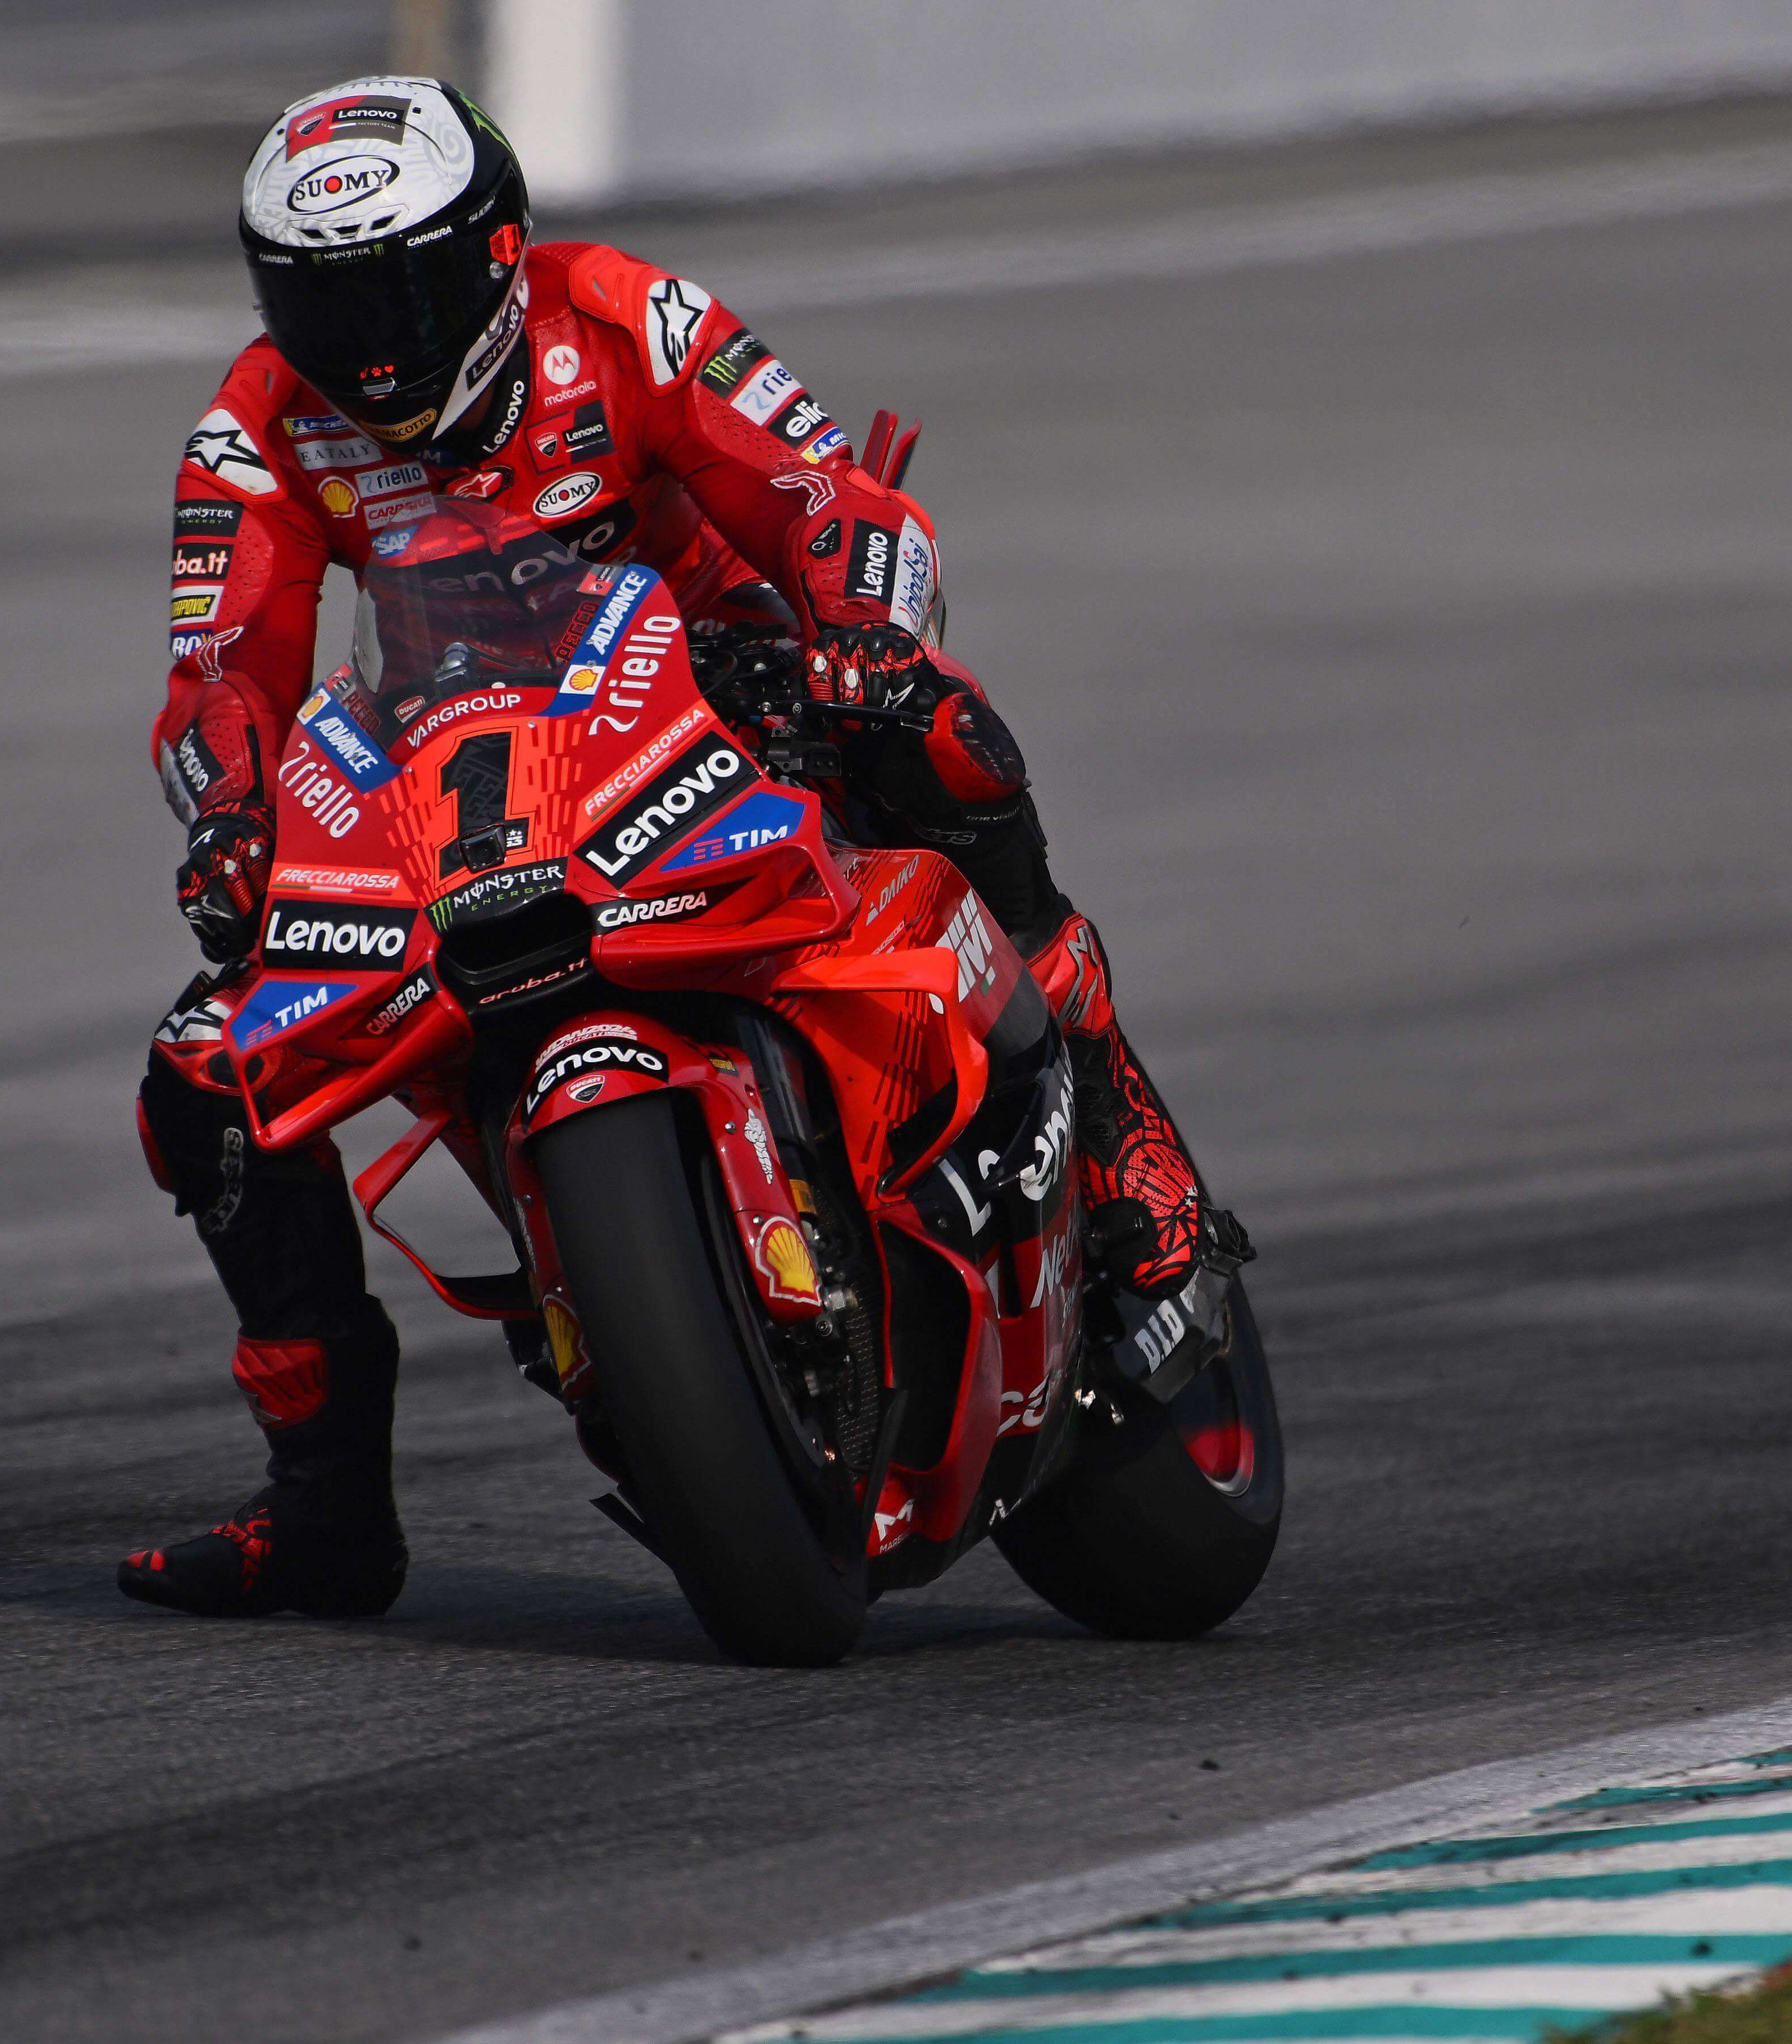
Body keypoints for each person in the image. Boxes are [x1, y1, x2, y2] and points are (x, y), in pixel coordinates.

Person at [121, 77, 1242, 1619]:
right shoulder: (257, 426)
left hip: (718, 680)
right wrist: (236, 824)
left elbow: (820, 488)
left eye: (407, 283)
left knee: (939, 736)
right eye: (324, 299)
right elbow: (222, 673)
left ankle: (1123, 1135)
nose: (372, 341)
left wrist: (855, 633)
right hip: (456, 783)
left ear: (498, 249)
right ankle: (325, 1505)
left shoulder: (623, 316)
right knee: (205, 1083)